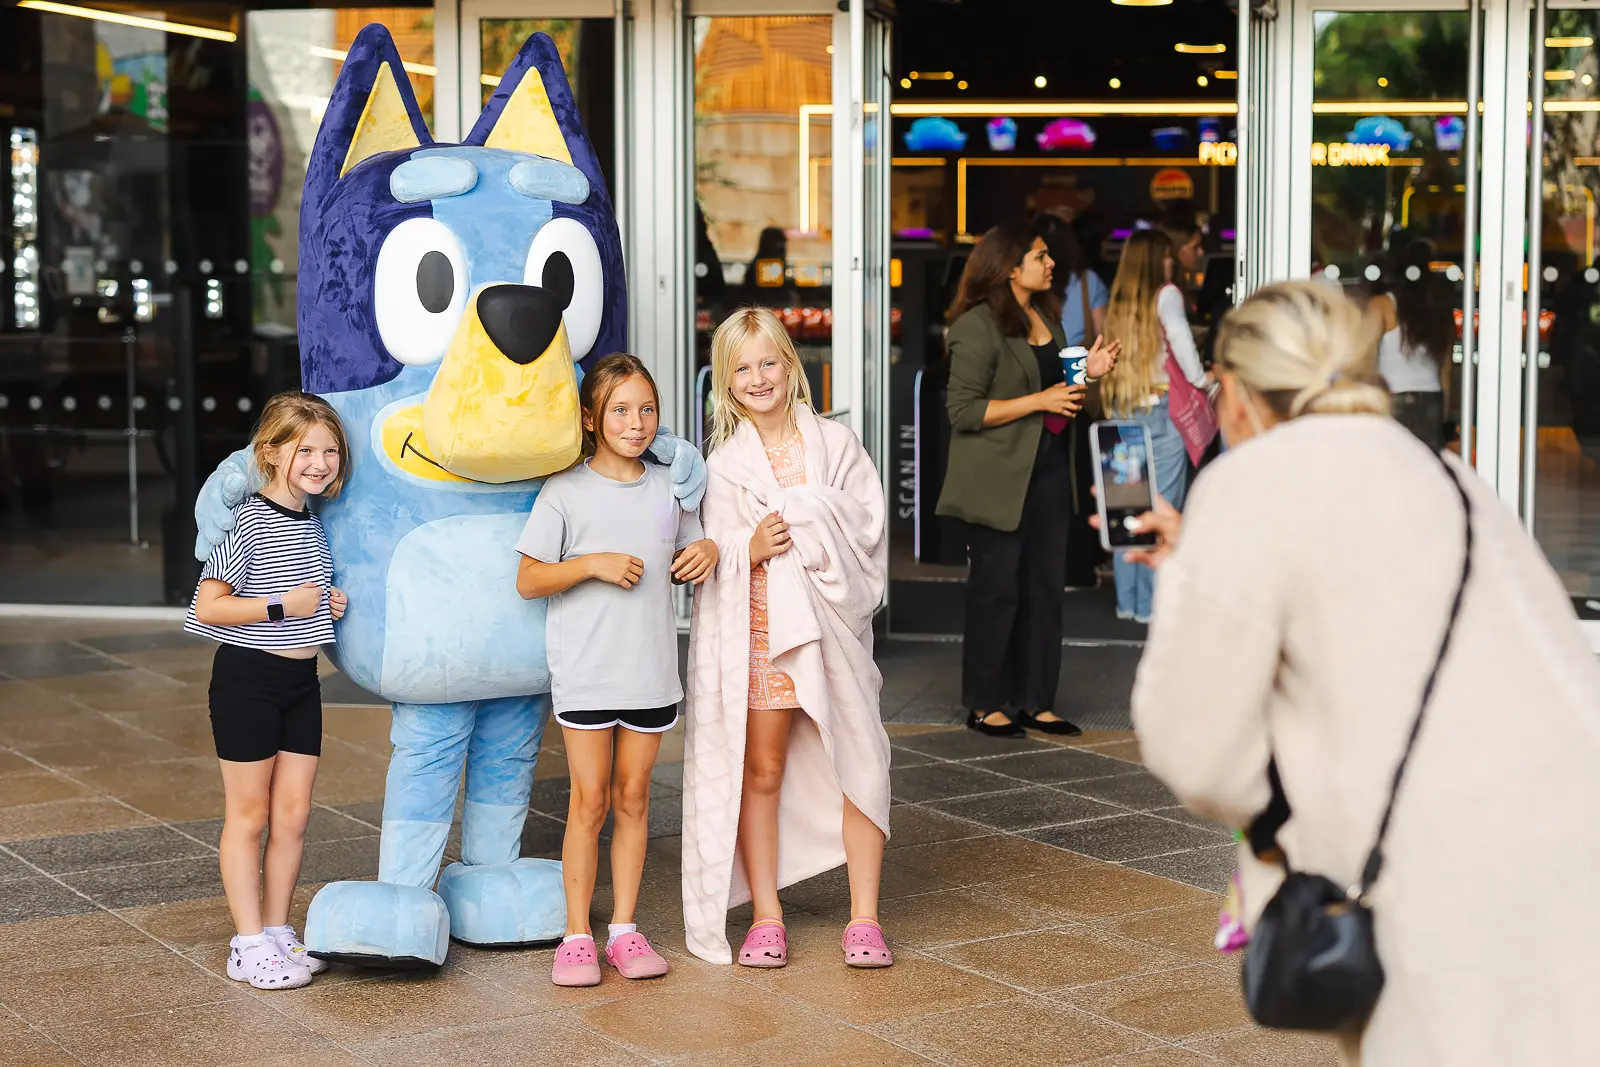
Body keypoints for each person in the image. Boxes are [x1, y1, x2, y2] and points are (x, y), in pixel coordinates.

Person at [1120, 280, 1600, 1066]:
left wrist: (1279, 825)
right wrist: (1203, 560)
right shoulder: (1445, 473)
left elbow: (1196, 753)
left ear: (1235, 393)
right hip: (1572, 838)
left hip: (1444, 878)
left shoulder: (1247, 483)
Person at [681, 307, 892, 970]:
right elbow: (713, 549)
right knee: (762, 768)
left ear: (791, 364)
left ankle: (865, 916)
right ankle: (767, 914)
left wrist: (806, 517)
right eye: (742, 367)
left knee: (860, 764)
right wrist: (751, 543)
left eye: (769, 361)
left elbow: (866, 531)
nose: (759, 377)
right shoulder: (725, 464)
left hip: (833, 632)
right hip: (762, 635)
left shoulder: (836, 445)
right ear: (725, 381)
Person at [514, 354, 718, 988]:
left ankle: (624, 931)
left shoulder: (669, 487)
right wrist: (591, 563)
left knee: (634, 799)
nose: (636, 423)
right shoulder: (565, 491)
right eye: (621, 410)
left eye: (647, 409)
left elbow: (695, 544)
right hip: (587, 674)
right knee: (590, 801)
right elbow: (528, 579)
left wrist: (707, 548)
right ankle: (577, 937)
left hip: (652, 672)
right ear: (590, 418)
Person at [185, 391, 350, 990]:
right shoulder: (250, 520)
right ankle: (248, 944)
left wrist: (323, 605)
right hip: (247, 681)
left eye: (330, 451)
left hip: (301, 683)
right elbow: (209, 607)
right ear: (272, 452)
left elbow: (301, 596)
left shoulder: (315, 523)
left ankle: (279, 933)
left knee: (294, 816)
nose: (320, 461)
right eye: (305, 449)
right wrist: (288, 605)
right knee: (250, 816)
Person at [937, 223, 1119, 738]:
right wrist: (1039, 401)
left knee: (1044, 590)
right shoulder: (977, 326)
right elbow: (964, 410)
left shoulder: (1047, 317)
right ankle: (985, 702)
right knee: (997, 591)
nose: (1051, 263)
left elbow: (1057, 387)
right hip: (997, 478)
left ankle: (1037, 701)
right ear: (1010, 267)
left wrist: (1090, 370)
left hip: (1048, 470)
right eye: (1040, 256)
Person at [1100, 228, 1208, 625]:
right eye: (1166, 255)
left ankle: (1127, 601)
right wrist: (1203, 380)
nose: (1172, 261)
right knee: (1162, 509)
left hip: (1123, 406)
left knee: (1126, 506)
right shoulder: (1168, 294)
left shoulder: (1120, 298)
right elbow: (1181, 342)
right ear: (1155, 260)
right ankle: (1151, 608)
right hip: (1160, 410)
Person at [1037, 213, 1112, 590]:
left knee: (1043, 480)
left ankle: (1046, 566)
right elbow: (1102, 335)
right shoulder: (1089, 283)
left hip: (1035, 392)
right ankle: (1081, 564)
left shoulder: (1029, 290)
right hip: (1078, 391)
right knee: (1081, 478)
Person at [1368, 240, 1450, 451]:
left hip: (1394, 397)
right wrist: (1445, 414)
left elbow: (1367, 357)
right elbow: (1446, 369)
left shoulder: (1382, 305)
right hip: (1431, 399)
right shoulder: (1438, 307)